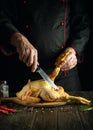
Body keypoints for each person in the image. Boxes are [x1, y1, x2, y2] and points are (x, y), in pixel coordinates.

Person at [0, 0, 90, 92]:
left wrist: (73, 50)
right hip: (24, 76)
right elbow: (2, 19)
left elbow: (82, 26)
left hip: (65, 78)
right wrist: (18, 39)